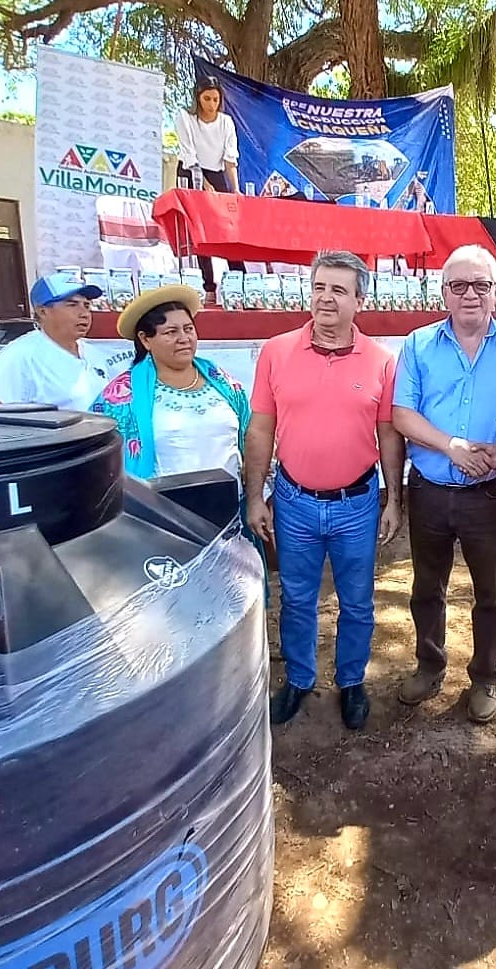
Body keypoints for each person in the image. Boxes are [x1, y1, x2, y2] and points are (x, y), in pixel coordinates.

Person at [246, 251, 403, 732]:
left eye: (339, 289)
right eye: (319, 287)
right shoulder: (275, 351)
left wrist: (393, 499)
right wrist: (256, 497)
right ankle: (297, 678)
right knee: (296, 598)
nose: (326, 298)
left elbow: (389, 435)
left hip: (356, 504)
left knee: (357, 601)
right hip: (293, 503)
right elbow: (260, 430)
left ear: (360, 299)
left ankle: (351, 681)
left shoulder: (381, 361)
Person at [392, 245, 496, 723]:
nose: (471, 294)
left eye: (481, 284)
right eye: (459, 285)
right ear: (444, 292)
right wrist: (451, 445)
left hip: (491, 495)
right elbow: (402, 414)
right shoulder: (417, 345)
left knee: (493, 594)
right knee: (426, 587)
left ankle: (485, 678)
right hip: (430, 491)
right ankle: (429, 665)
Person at [90, 283, 250, 483]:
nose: (184, 338)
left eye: (188, 329)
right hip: (162, 509)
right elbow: (99, 458)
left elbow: (250, 436)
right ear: (145, 340)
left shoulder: (224, 384)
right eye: (171, 332)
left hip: (230, 507)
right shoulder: (119, 397)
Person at [0, 273, 131, 411]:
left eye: (86, 305)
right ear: (43, 311)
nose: (84, 314)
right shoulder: (18, 357)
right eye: (72, 304)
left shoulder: (93, 351)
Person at [175, 76, 244, 297]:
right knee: (199, 228)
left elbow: (230, 160)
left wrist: (235, 189)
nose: (211, 104)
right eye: (207, 99)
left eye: (215, 99)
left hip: (217, 172)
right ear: (198, 97)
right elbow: (189, 154)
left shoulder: (226, 122)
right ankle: (208, 285)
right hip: (190, 170)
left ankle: (238, 282)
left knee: (228, 228)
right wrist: (203, 184)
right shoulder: (185, 118)